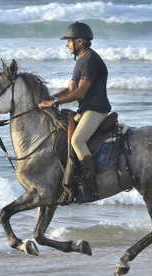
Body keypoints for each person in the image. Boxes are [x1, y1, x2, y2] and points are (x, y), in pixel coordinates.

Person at [38, 22, 111, 199]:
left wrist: (54, 101)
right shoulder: (81, 61)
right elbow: (70, 89)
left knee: (78, 141)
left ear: (80, 42)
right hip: (84, 110)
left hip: (96, 111)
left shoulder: (91, 60)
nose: (66, 45)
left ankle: (90, 188)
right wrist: (48, 99)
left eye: (69, 41)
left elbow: (81, 92)